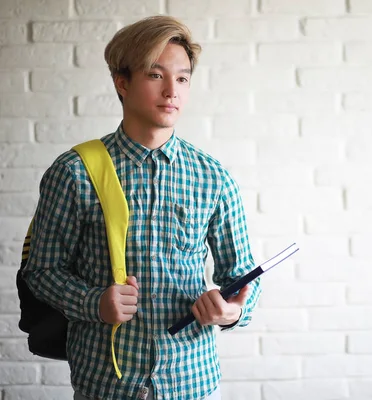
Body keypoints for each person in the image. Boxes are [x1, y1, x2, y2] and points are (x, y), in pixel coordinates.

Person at [22, 15, 261, 400]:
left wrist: (231, 312)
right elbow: (42, 271)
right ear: (122, 82)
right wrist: (94, 302)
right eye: (155, 75)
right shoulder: (75, 172)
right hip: (105, 383)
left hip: (192, 382)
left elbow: (246, 275)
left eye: (182, 78)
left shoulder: (214, 178)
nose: (172, 91)